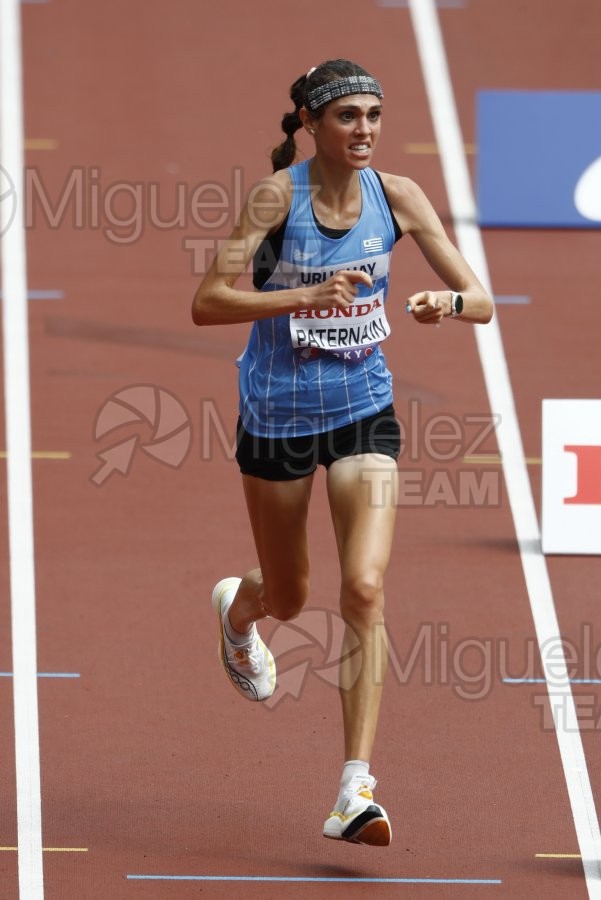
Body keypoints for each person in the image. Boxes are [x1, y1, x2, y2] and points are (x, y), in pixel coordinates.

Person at [192, 58, 493, 847]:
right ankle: (239, 610)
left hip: (364, 413)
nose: (363, 130)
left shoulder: (397, 197)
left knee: (363, 588)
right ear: (312, 125)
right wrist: (305, 294)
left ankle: (354, 788)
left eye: (373, 115)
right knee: (291, 596)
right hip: (278, 420)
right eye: (347, 116)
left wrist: (444, 303)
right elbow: (206, 302)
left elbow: (482, 300)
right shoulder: (276, 198)